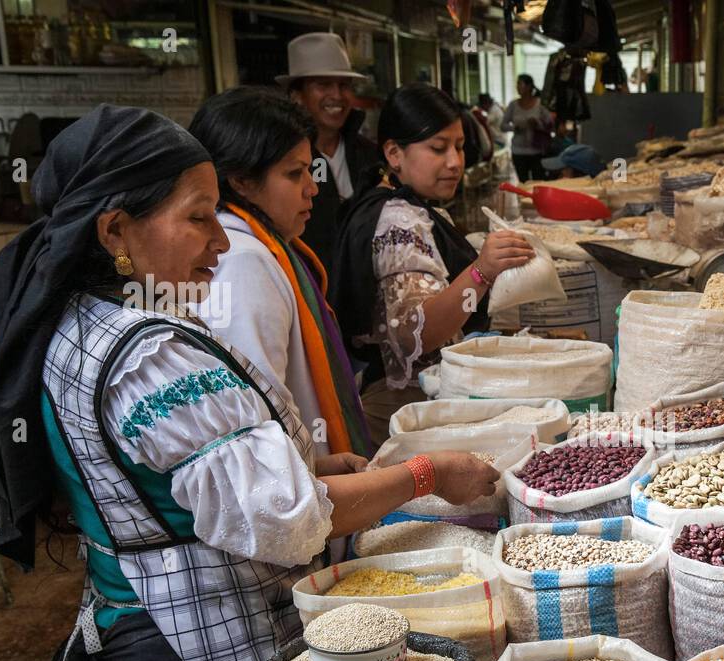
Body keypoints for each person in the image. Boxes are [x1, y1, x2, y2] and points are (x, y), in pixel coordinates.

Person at [0, 105, 497, 661]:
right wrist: (427, 474)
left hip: (130, 644)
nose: (222, 241)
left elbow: (158, 472)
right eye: (199, 218)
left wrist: (309, 464)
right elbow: (286, 520)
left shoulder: (76, 324)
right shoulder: (151, 356)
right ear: (114, 232)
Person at [329, 83, 534, 445]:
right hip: (404, 409)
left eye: (458, 146)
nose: (455, 162)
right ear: (394, 153)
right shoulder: (400, 222)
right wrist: (481, 271)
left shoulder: (401, 203)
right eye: (438, 149)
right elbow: (415, 334)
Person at [189, 86, 372, 465]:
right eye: (294, 174)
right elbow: (260, 413)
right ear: (241, 180)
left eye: (309, 169)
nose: (312, 188)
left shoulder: (256, 244)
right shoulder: (242, 260)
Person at [281, 32, 378, 273]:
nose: (337, 95)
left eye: (344, 85)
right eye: (323, 84)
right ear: (297, 95)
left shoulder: (370, 155)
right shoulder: (283, 164)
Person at [502, 74, 554, 183]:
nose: (517, 87)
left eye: (520, 84)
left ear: (529, 86)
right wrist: (514, 128)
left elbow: (550, 125)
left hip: (537, 151)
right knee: (523, 183)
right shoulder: (513, 105)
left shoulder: (540, 104)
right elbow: (503, 125)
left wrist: (537, 124)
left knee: (539, 182)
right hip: (518, 151)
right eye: (517, 84)